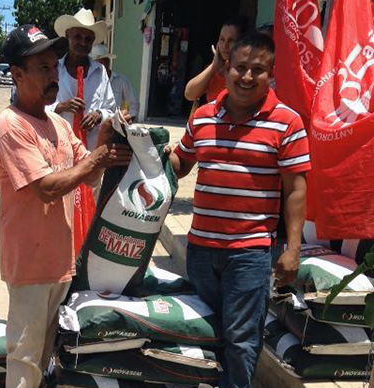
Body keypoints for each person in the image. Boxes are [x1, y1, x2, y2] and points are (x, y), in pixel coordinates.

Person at [0, 25, 132, 388]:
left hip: (58, 262)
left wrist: (105, 140)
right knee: (24, 359)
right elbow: (48, 188)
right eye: (43, 68)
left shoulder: (55, 122)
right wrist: (95, 159)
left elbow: (87, 174)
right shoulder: (11, 126)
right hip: (29, 266)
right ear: (18, 74)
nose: (54, 75)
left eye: (55, 67)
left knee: (43, 356)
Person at [169, 33, 310, 388]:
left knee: (241, 342)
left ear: (270, 74)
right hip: (201, 251)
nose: (247, 77)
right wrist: (142, 147)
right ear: (227, 68)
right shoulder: (202, 117)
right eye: (241, 68)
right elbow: (180, 163)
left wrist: (293, 250)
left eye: (258, 70)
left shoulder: (287, 122)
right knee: (203, 330)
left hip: (248, 255)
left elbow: (295, 190)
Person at [51, 8, 116, 150]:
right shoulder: (53, 70)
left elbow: (111, 109)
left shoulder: (100, 72)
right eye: (77, 37)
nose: (83, 43)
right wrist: (60, 106)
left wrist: (98, 115)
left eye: (88, 39)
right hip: (59, 146)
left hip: (91, 148)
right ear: (68, 36)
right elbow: (38, 106)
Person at [184, 16, 248, 103]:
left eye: (231, 40)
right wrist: (213, 66)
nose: (225, 46)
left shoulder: (247, 73)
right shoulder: (215, 70)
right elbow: (189, 94)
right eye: (222, 39)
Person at [91, 44, 140, 121]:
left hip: (114, 124)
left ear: (108, 62)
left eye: (100, 62)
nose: (98, 66)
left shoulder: (121, 80)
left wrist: (130, 117)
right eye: (95, 63)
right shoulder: (90, 81)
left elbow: (134, 103)